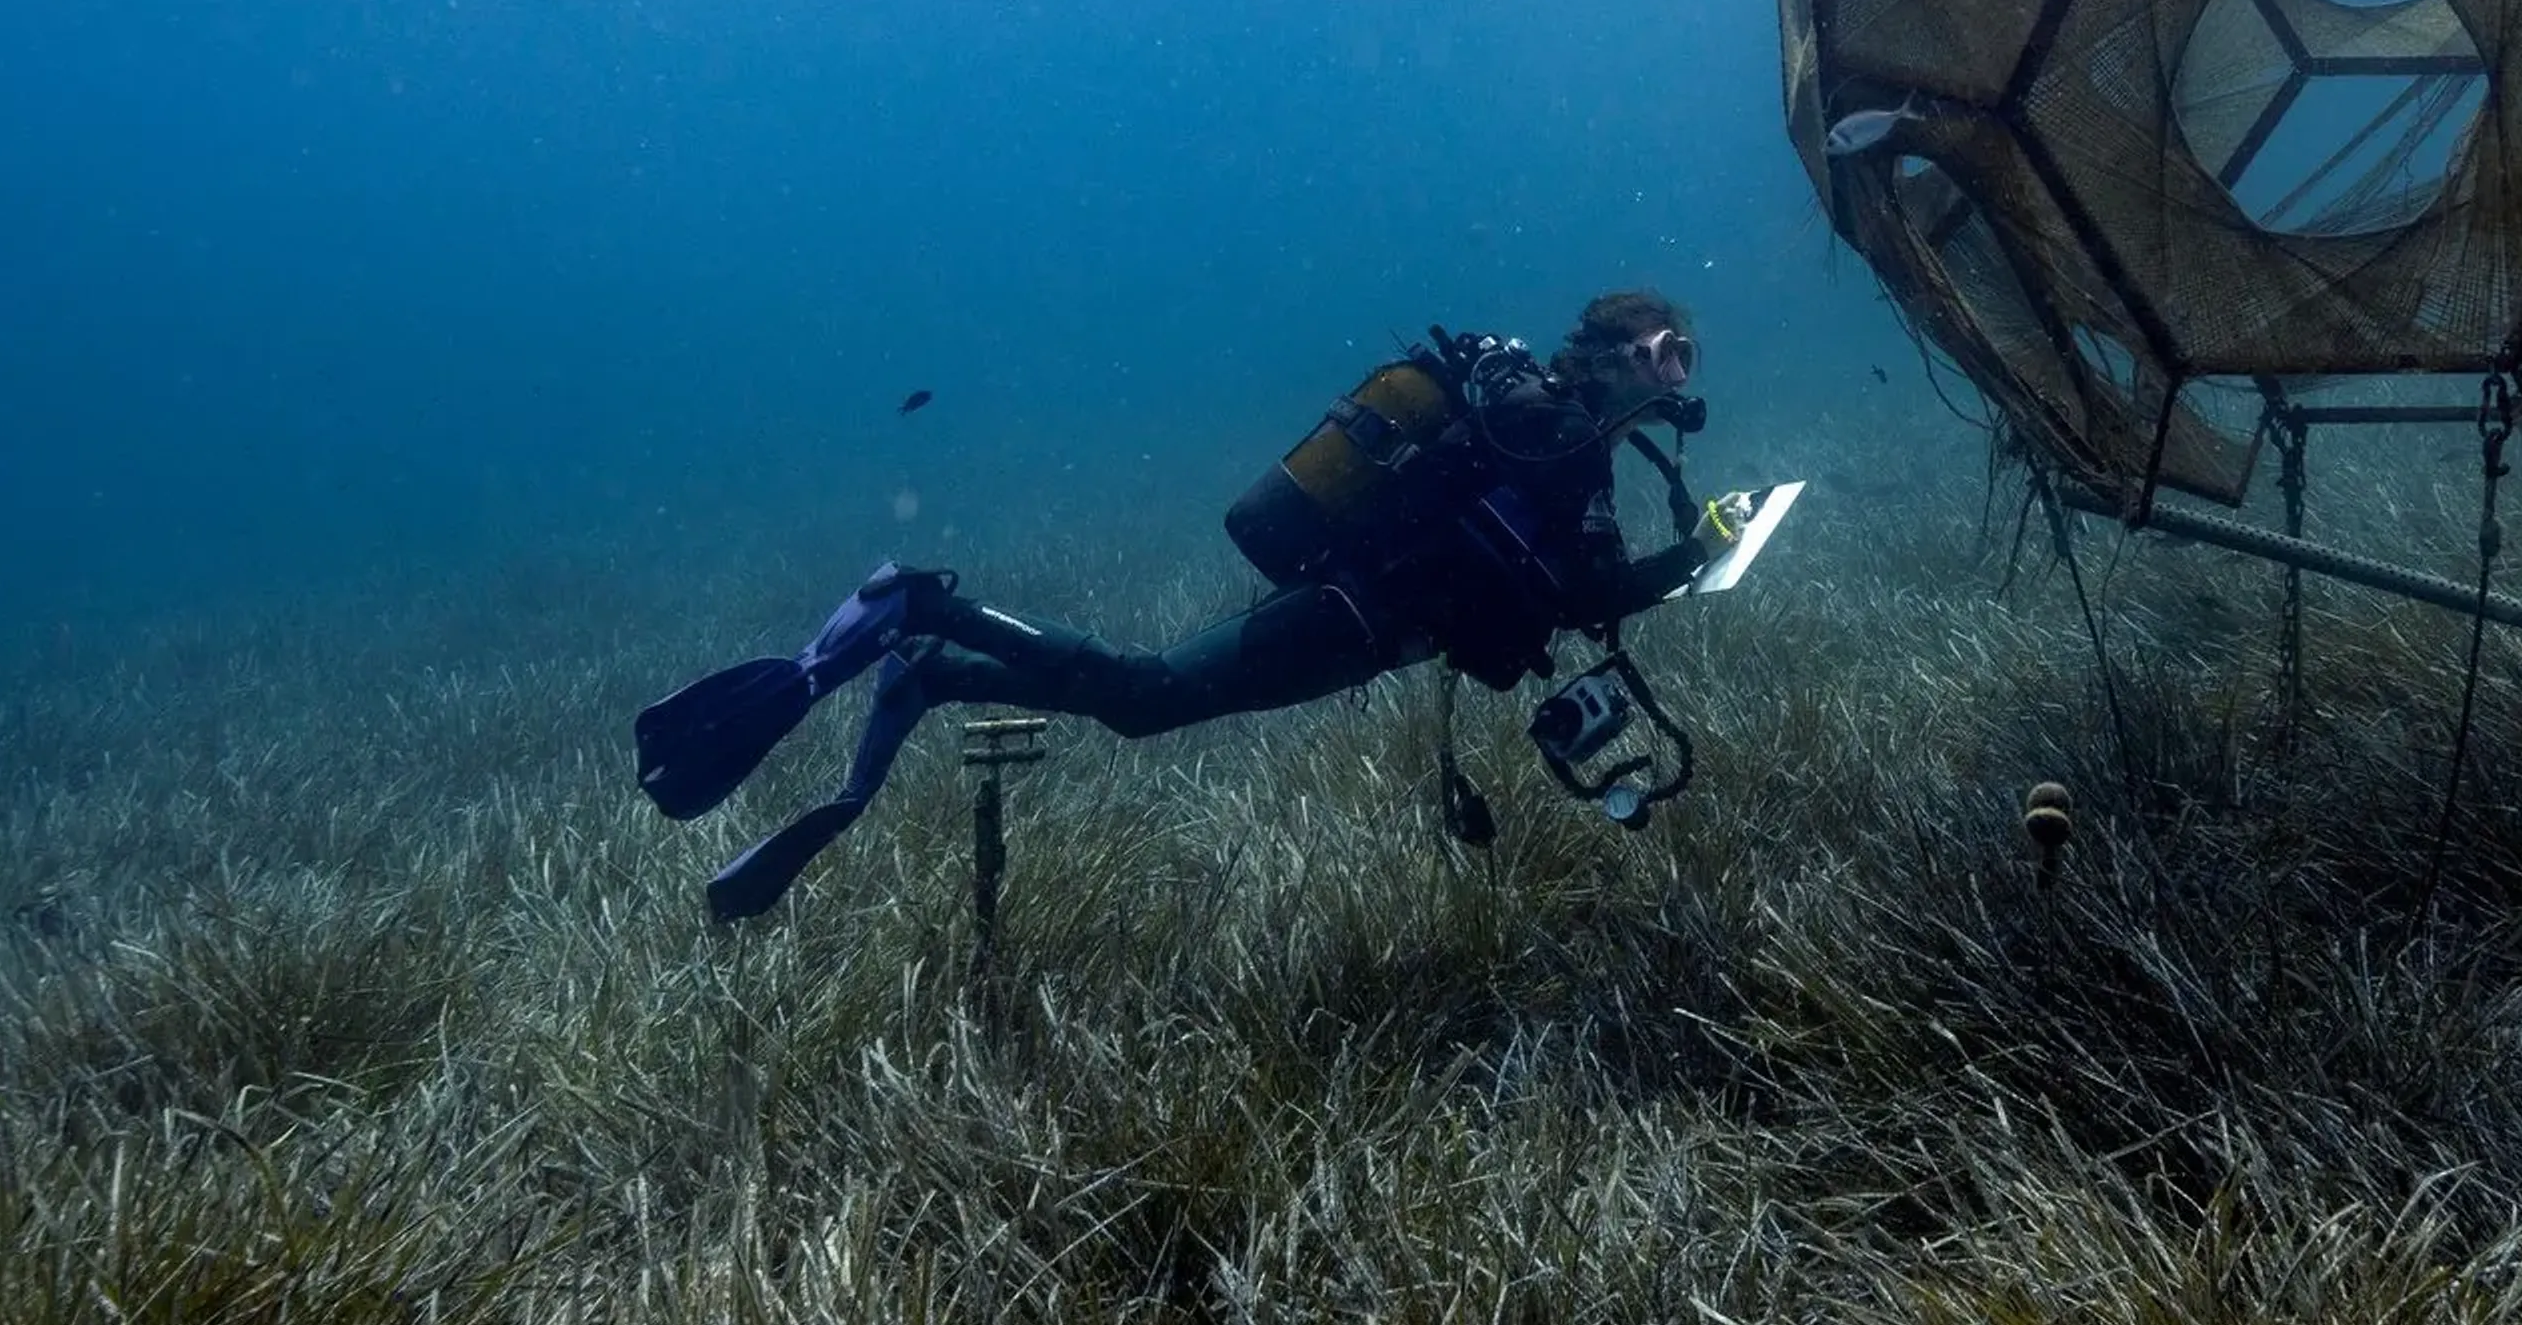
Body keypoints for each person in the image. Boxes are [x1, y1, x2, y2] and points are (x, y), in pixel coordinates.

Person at [637, 291, 1744, 916]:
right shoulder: (1558, 439)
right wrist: (1695, 552)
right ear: (1606, 359)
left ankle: (938, 672)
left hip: (1360, 614)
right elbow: (1586, 591)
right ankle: (926, 609)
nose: (1673, 379)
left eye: (1683, 359)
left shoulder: (1540, 425)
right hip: (1351, 616)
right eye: (1659, 356)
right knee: (1149, 693)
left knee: (1143, 702)